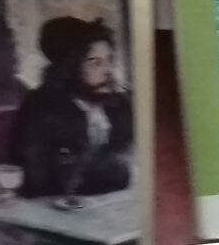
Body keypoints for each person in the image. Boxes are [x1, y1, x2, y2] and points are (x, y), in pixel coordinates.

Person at [14, 17, 133, 200]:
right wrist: (112, 171)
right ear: (71, 67)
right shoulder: (40, 106)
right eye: (95, 62)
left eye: (109, 60)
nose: (108, 71)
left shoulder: (119, 104)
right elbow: (37, 177)